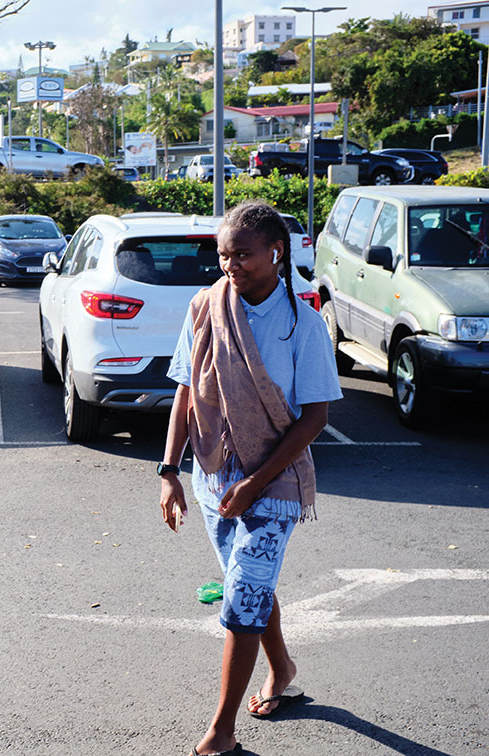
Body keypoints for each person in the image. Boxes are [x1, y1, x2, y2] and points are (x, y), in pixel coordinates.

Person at [158, 200, 342, 756]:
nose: (229, 265)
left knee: (242, 598)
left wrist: (256, 483)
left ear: (276, 252)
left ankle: (221, 732)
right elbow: (185, 393)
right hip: (214, 477)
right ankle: (282, 667)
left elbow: (315, 417)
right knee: (251, 584)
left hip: (275, 482)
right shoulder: (204, 307)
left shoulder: (302, 325)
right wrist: (169, 470)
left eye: (241, 254)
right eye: (222, 255)